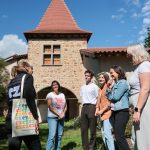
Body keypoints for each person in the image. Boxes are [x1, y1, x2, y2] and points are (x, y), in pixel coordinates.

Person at [6, 59, 42, 150]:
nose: (32, 70)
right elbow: (29, 99)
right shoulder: (27, 77)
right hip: (25, 119)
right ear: (26, 67)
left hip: (11, 120)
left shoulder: (11, 82)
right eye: (31, 68)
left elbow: (8, 102)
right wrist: (36, 118)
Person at [127, 44, 150, 150]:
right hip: (140, 107)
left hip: (143, 107)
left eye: (129, 55)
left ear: (136, 54)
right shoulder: (140, 67)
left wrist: (137, 109)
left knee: (144, 136)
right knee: (139, 136)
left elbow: (145, 89)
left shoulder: (145, 65)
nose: (128, 57)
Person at [106, 65, 130, 150]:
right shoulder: (116, 84)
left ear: (118, 72)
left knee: (119, 136)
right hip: (115, 112)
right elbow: (109, 97)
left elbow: (115, 97)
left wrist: (109, 92)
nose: (110, 74)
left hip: (122, 112)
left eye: (112, 72)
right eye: (110, 73)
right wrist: (108, 88)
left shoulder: (122, 83)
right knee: (117, 136)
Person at [95, 72, 115, 150]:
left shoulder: (107, 87)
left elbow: (110, 102)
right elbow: (98, 101)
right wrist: (97, 109)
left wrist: (101, 111)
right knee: (104, 134)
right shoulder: (100, 89)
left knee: (107, 134)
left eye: (103, 77)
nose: (100, 79)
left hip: (107, 113)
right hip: (101, 114)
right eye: (100, 77)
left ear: (106, 78)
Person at [80, 69, 99, 150]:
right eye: (85, 75)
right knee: (83, 129)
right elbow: (82, 98)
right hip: (84, 107)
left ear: (91, 77)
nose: (86, 77)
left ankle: (92, 147)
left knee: (92, 129)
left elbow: (98, 98)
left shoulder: (95, 87)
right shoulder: (82, 87)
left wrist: (97, 109)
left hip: (92, 107)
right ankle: (86, 148)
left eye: (88, 76)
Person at [46, 80, 67, 150]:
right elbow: (50, 106)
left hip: (61, 117)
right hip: (52, 118)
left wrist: (63, 113)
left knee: (59, 135)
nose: (55, 86)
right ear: (52, 87)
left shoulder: (62, 94)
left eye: (56, 84)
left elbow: (65, 105)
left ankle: (58, 149)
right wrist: (59, 114)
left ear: (58, 85)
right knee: (52, 136)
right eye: (53, 85)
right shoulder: (50, 94)